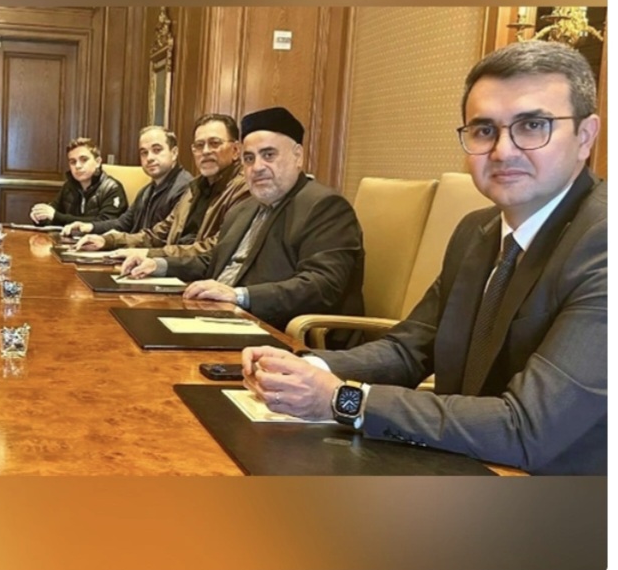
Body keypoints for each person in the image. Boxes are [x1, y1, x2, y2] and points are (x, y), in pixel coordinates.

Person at [241, 41, 605, 475]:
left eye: (532, 126)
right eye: (484, 130)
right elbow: (409, 349)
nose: (503, 150)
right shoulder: (477, 231)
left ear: (585, 136)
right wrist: (305, 367)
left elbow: (526, 428)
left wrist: (341, 399)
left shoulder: (603, 243)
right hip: (458, 460)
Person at [121, 106, 364, 333]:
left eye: (268, 155)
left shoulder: (325, 206)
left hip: (274, 330)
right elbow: (212, 260)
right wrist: (158, 265)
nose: (257, 167)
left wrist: (239, 295)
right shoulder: (245, 208)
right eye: (249, 158)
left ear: (297, 156)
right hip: (217, 315)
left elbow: (321, 286)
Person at [75, 114, 250, 258]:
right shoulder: (194, 188)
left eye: (214, 143)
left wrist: (150, 255)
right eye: (199, 145)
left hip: (203, 279)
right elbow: (158, 234)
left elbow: (216, 248)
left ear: (236, 150)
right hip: (174, 268)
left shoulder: (244, 189)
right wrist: (108, 241)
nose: (205, 151)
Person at [62, 126, 193, 238]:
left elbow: (161, 239)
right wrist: (89, 227)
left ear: (174, 153)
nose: (149, 158)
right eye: (144, 152)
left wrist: (116, 241)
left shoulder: (185, 188)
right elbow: (124, 223)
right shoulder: (147, 190)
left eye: (157, 150)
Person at [29, 138, 127, 226]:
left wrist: (56, 216)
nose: (78, 166)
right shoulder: (69, 186)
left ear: (98, 162)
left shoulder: (112, 188)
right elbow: (53, 214)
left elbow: (106, 222)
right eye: (73, 162)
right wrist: (41, 216)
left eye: (84, 160)